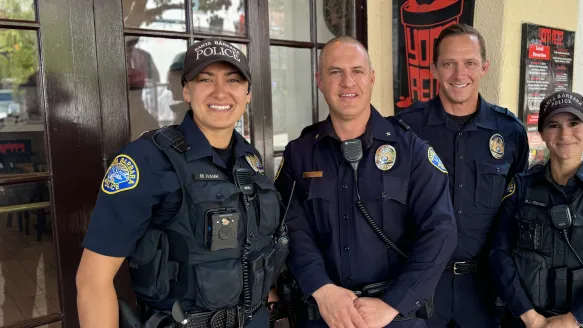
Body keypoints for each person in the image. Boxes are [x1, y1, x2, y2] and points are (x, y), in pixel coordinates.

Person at [76, 38, 285, 328]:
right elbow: (92, 281)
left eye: (233, 80)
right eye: (206, 80)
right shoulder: (146, 160)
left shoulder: (249, 158)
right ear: (187, 90)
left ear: (247, 93)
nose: (220, 92)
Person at [274, 36, 457, 328]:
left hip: (395, 317)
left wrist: (393, 303)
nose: (348, 82)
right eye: (335, 72)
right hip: (325, 314)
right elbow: (291, 229)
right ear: (319, 80)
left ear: (371, 78)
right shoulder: (300, 153)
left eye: (357, 71)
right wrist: (321, 288)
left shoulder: (412, 150)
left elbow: (441, 232)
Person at [396, 23, 529, 328]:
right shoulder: (405, 130)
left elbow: (516, 214)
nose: (459, 74)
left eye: (469, 63)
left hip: (484, 289)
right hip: (419, 286)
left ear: (484, 67)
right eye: (448, 64)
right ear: (433, 69)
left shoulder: (509, 132)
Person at [490, 91, 583, 328]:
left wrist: (573, 320)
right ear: (541, 133)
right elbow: (499, 254)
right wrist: (530, 317)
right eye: (553, 125)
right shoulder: (521, 187)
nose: (564, 134)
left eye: (574, 123)